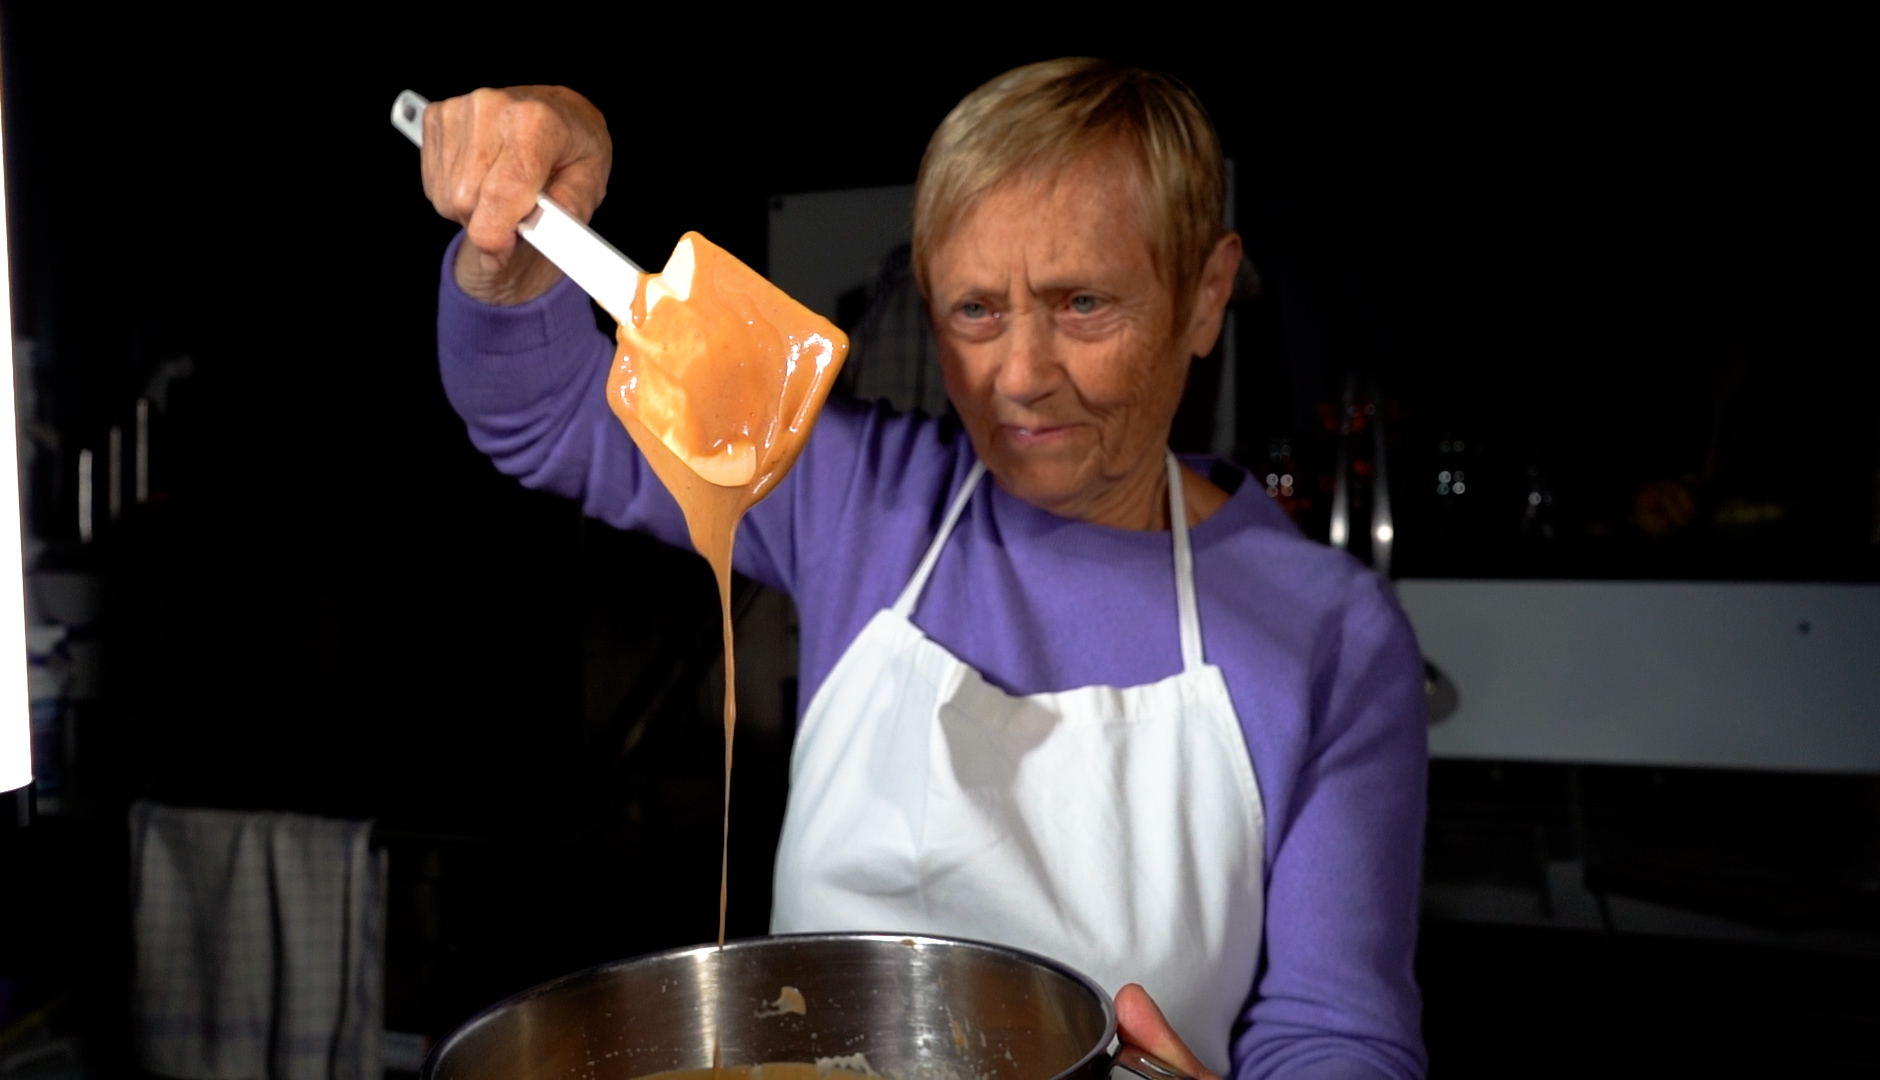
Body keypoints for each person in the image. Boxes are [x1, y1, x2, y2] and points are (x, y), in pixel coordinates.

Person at [422, 59, 1428, 1080]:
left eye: (1082, 303)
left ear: (1205, 297)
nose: (1021, 377)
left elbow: (1338, 1036)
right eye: (975, 311)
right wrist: (516, 243)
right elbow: (540, 412)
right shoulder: (857, 498)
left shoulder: (1330, 636)